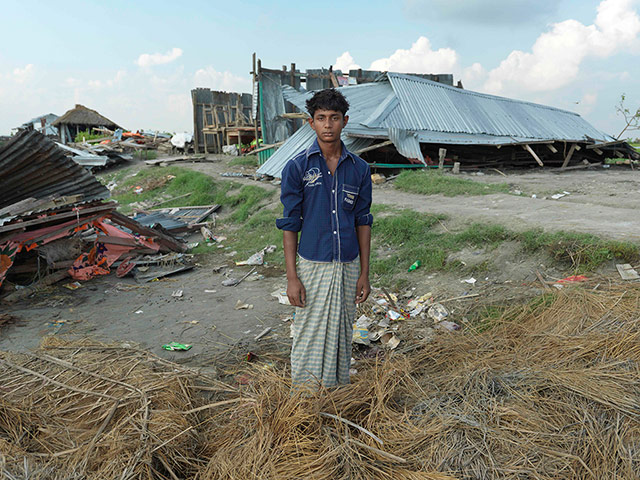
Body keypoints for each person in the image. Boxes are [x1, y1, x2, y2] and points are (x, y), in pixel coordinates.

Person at [276, 88, 373, 388]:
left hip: (347, 266)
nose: (328, 125)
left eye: (334, 118)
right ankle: (305, 401)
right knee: (308, 333)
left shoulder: (359, 169)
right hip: (312, 265)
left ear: (345, 121)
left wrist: (364, 274)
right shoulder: (298, 167)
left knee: (342, 333)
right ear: (310, 123)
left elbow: (363, 222)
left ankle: (335, 395)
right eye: (321, 118)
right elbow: (290, 224)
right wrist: (292, 277)